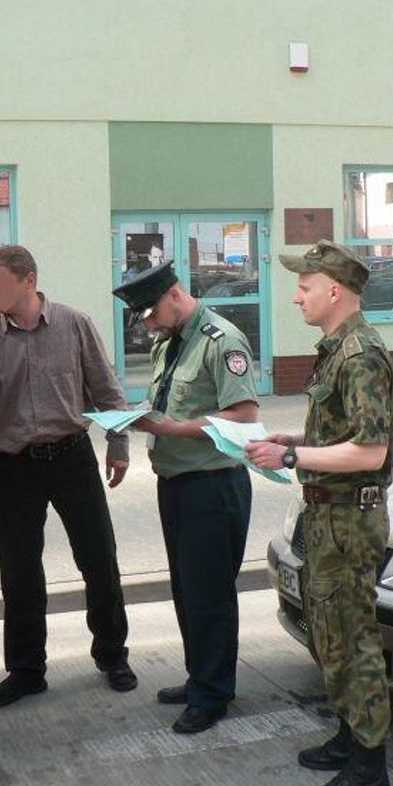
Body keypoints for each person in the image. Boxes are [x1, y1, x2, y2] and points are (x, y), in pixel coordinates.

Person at [0, 244, 138, 708]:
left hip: (72, 457)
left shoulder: (74, 323)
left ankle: (112, 654)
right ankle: (26, 671)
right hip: (17, 465)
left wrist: (120, 445)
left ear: (29, 280)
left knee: (99, 560)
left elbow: (108, 391)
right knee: (20, 573)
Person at [245, 240, 393, 786]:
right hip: (328, 515)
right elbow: (342, 437)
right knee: (331, 636)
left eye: (304, 286)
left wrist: (290, 460)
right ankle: (350, 737)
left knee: (353, 642)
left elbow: (369, 452)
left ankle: (369, 773)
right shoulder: (338, 350)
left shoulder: (359, 355)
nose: (295, 296)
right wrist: (296, 441)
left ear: (335, 291)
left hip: (348, 519)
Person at [112, 260, 258, 735]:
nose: (148, 325)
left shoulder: (222, 340)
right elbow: (169, 400)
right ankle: (201, 678)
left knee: (210, 594)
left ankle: (213, 694)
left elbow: (243, 416)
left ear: (174, 295)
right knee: (186, 590)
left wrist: (173, 428)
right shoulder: (171, 342)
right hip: (175, 483)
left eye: (151, 315)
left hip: (212, 485)